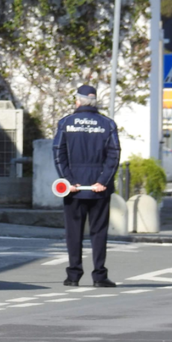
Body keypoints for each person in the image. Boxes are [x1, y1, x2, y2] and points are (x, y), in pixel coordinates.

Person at [52, 84, 121, 288]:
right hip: (99, 188)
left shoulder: (66, 123)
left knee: (74, 232)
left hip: (74, 189)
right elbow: (114, 154)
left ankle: (73, 275)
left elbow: (58, 154)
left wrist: (69, 181)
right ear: (95, 100)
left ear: (77, 101)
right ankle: (99, 275)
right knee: (99, 232)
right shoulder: (107, 124)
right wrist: (103, 181)